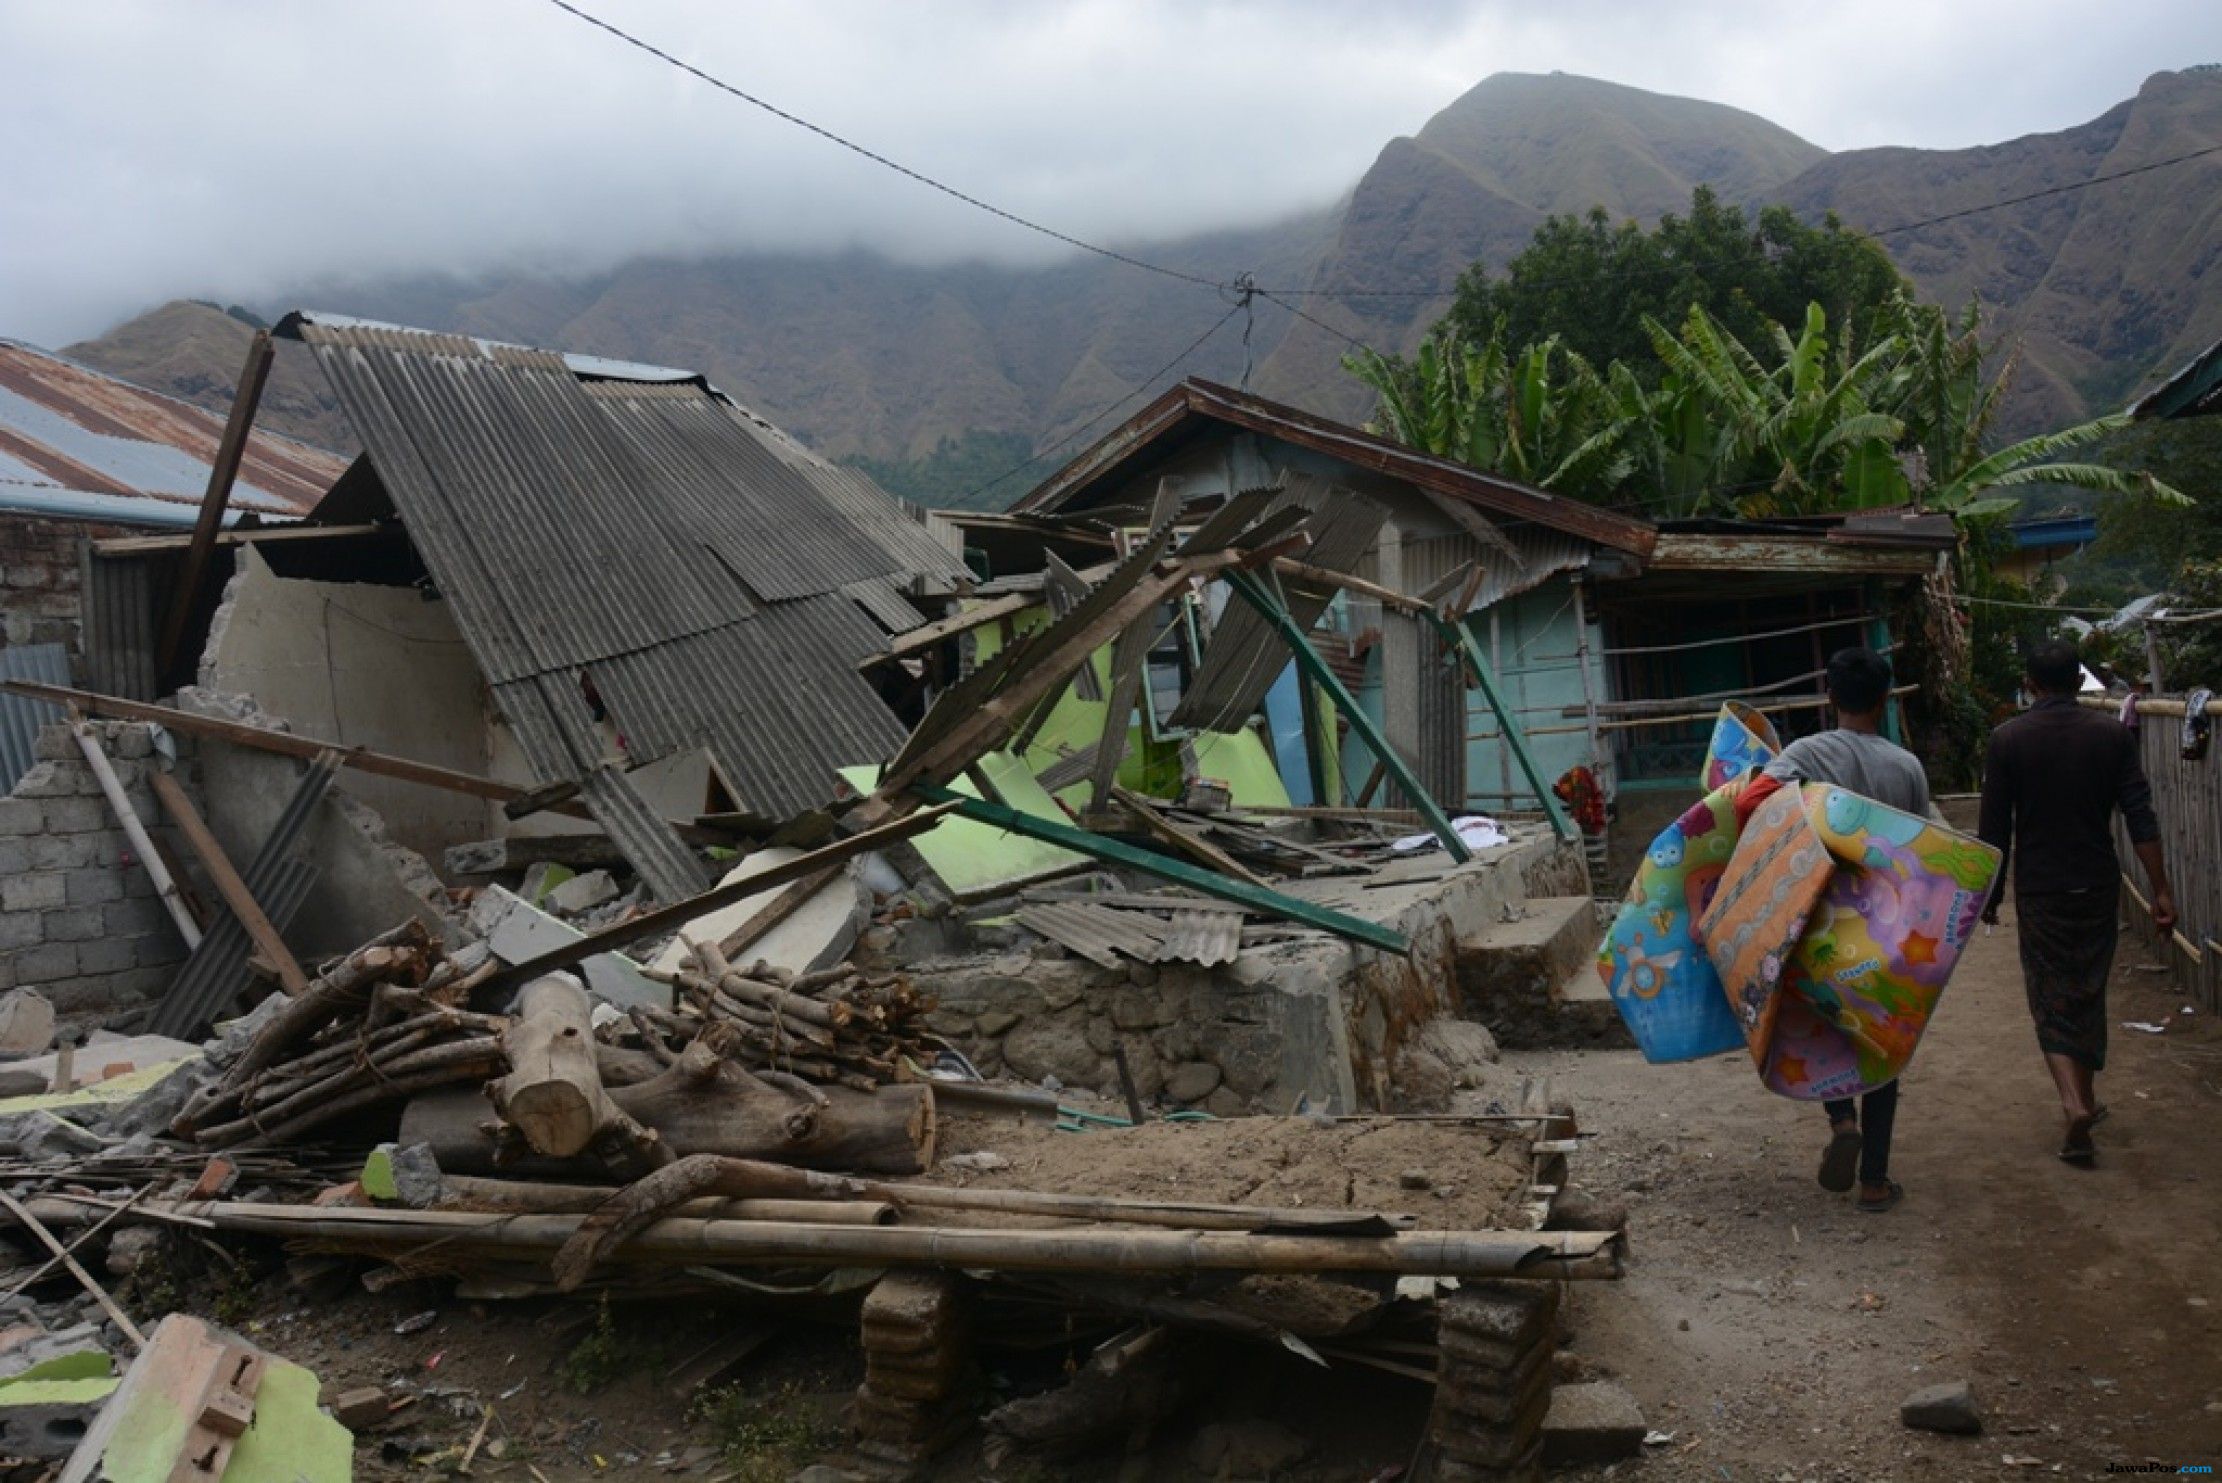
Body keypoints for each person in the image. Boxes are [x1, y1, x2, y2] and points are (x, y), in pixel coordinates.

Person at [1978, 639, 2174, 1164]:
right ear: (2079, 681)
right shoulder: (2110, 736)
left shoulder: (2008, 740)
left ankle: (2074, 1103)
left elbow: (1995, 828)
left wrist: (1991, 895)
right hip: (2097, 883)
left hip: (2042, 888)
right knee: (2086, 989)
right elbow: (2140, 816)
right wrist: (2160, 890)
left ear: (2031, 685)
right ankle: (2085, 1098)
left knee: (2050, 994)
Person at [1762, 647, 1930, 1214]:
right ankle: (1877, 1182)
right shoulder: (1906, 766)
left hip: (1820, 916)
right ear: (1884, 700)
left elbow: (1758, 802)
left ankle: (1839, 1120)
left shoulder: (1803, 754)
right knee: (1882, 1041)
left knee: (1819, 1018)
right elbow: (1922, 848)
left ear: (1829, 697)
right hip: (1885, 922)